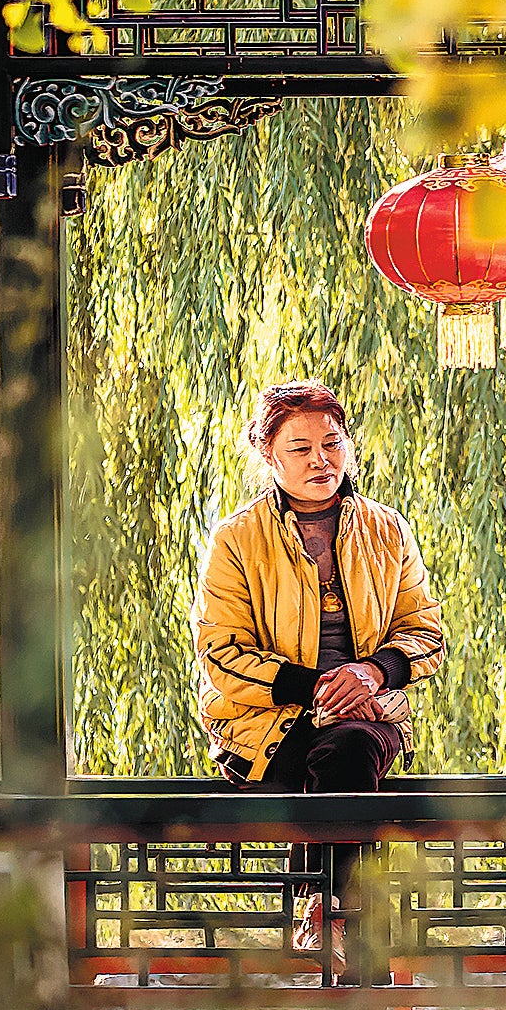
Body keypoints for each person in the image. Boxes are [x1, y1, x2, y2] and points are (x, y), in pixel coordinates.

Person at [194, 380, 448, 974]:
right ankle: (358, 944)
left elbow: (426, 633)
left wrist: (370, 672)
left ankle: (322, 911)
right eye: (301, 449)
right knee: (340, 762)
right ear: (268, 455)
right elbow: (223, 653)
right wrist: (315, 688)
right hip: (267, 728)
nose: (320, 461)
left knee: (351, 748)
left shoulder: (387, 531)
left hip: (368, 713)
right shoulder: (237, 539)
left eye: (332, 444)